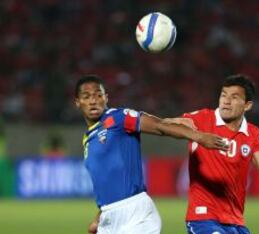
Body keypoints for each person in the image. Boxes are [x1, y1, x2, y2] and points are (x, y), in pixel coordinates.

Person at [74, 75, 228, 234]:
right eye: (86, 97)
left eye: (98, 95)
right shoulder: (88, 139)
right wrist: (100, 216)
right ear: (78, 102)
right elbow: (108, 180)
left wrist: (200, 137)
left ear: (106, 98)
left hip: (136, 215)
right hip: (108, 218)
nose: (93, 101)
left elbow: (158, 127)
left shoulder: (118, 117)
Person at [168, 74, 259, 234]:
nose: (226, 101)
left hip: (236, 222)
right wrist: (137, 121)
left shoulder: (252, 133)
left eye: (234, 97)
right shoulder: (202, 119)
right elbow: (166, 126)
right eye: (223, 95)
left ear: (247, 105)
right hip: (203, 218)